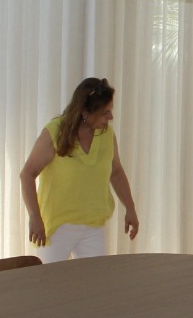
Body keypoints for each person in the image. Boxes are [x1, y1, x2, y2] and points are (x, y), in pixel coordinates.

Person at [20, 76, 139, 263]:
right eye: (105, 112)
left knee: (95, 280)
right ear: (85, 112)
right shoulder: (55, 132)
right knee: (48, 280)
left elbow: (116, 172)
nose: (110, 117)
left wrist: (130, 208)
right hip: (58, 226)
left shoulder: (107, 135)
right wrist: (35, 217)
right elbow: (27, 174)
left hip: (94, 226)